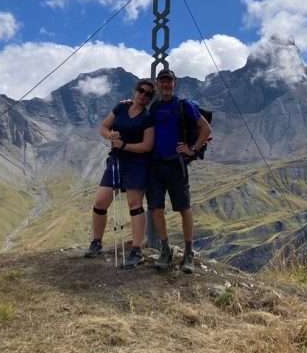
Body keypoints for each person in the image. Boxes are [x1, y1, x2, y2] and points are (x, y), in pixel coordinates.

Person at [84, 79, 155, 269]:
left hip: (137, 164)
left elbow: (147, 146)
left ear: (150, 98)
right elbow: (104, 128)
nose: (143, 95)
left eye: (148, 94)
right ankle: (96, 242)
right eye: (141, 91)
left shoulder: (147, 117)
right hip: (116, 161)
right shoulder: (121, 108)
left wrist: (124, 145)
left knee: (135, 204)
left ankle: (137, 250)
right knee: (100, 202)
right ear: (135, 91)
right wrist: (111, 136)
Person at [147, 68, 212, 274]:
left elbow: (206, 129)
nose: (166, 85)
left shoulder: (184, 106)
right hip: (155, 165)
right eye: (162, 82)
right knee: (155, 208)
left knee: (184, 208)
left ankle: (188, 253)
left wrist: (192, 149)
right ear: (157, 84)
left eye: (169, 82)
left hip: (176, 164)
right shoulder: (154, 106)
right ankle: (165, 250)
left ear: (174, 84)